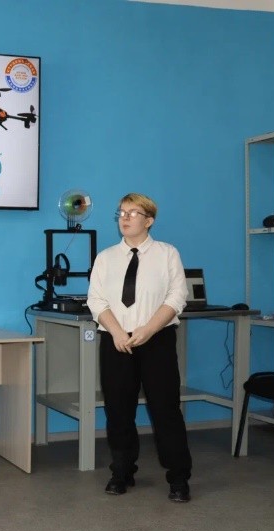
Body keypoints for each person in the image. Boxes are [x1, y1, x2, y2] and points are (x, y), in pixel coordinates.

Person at [87, 193, 193, 503]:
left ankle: (178, 478)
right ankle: (122, 472)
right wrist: (117, 332)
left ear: (149, 221)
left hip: (156, 339)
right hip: (116, 340)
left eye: (133, 213)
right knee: (118, 410)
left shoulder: (167, 254)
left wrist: (149, 329)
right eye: (121, 212)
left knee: (165, 409)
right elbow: (96, 300)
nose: (125, 217)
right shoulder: (106, 257)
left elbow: (177, 297)